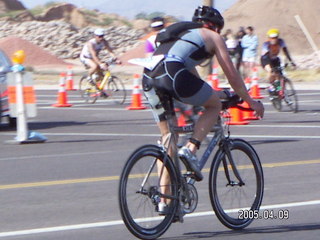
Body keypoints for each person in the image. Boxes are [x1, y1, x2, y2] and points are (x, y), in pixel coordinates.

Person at [142, 6, 264, 185]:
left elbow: (196, 85)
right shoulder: (213, 36)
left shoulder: (182, 36)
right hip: (172, 73)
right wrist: (251, 102)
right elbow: (233, 77)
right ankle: (191, 150)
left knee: (168, 140)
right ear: (215, 27)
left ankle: (166, 203)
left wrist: (218, 94)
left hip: (149, 76)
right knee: (214, 106)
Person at [261, 28, 296, 94]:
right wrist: (271, 68)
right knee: (271, 71)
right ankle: (271, 85)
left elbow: (286, 52)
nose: (274, 39)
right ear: (269, 38)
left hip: (275, 59)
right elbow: (266, 56)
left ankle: (278, 89)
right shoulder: (266, 44)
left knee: (278, 75)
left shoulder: (281, 41)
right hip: (266, 59)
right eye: (272, 38)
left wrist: (291, 61)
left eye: (275, 37)